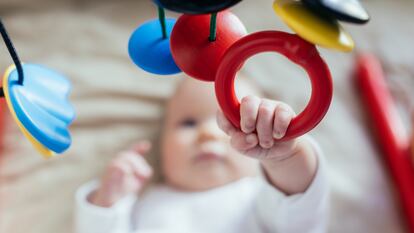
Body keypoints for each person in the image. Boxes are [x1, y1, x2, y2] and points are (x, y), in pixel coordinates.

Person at [75, 76, 329, 233]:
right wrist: (108, 203)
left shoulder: (256, 197)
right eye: (188, 123)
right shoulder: (144, 203)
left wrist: (285, 156)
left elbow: (301, 213)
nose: (208, 133)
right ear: (162, 146)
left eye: (232, 121)